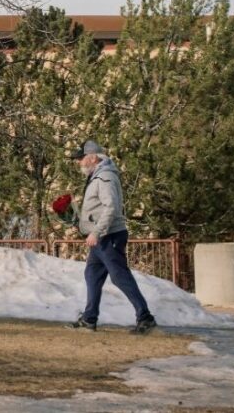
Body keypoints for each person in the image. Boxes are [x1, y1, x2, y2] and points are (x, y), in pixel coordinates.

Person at [66, 139, 157, 335]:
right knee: (92, 275)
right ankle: (89, 319)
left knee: (119, 276)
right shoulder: (96, 176)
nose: (79, 162)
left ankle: (145, 317)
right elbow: (96, 208)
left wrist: (97, 232)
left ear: (92, 157)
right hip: (100, 238)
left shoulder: (105, 177)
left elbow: (112, 208)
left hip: (109, 236)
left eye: (81, 158)